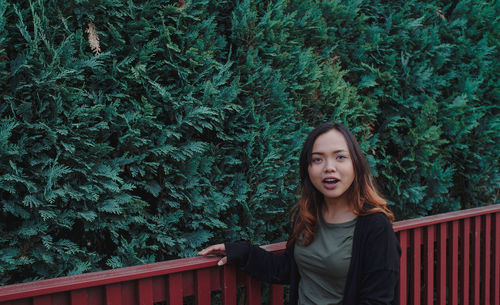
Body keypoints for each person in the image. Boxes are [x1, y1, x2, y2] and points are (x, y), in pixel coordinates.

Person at [199, 122, 401, 305]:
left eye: (340, 157)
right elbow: (289, 268)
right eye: (317, 159)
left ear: (356, 165)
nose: (329, 167)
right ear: (308, 169)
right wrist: (242, 252)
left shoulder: (375, 226)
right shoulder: (307, 216)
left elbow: (377, 300)